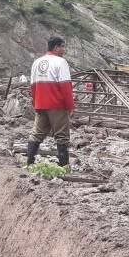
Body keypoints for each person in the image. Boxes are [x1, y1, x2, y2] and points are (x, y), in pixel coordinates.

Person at [27, 37, 75, 167]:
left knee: (37, 134)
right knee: (62, 136)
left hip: (40, 103)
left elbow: (32, 85)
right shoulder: (61, 62)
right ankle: (63, 167)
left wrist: (35, 103)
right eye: (62, 47)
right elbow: (66, 86)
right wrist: (70, 106)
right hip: (57, 104)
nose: (64, 50)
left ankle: (29, 163)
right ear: (56, 48)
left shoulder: (37, 62)